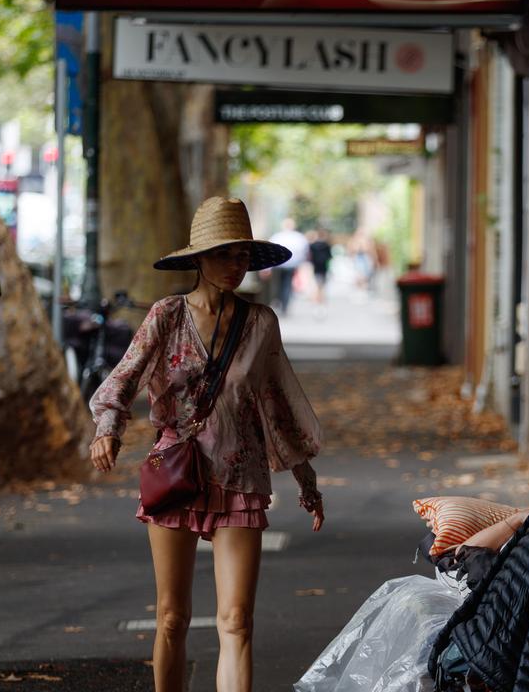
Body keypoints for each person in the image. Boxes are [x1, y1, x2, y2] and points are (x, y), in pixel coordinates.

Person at [88, 197, 325, 692]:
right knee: (172, 617)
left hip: (241, 477)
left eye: (242, 256)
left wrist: (306, 479)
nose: (234, 265)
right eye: (223, 255)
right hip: (177, 473)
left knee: (236, 620)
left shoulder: (260, 324)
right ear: (198, 259)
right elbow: (125, 377)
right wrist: (107, 428)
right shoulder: (166, 316)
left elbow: (279, 404)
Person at [267, 217, 309, 315]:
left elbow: (271, 251)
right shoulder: (299, 238)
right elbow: (304, 252)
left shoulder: (277, 236)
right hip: (290, 265)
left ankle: (280, 303)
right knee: (287, 285)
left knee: (279, 285)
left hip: (279, 265)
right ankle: (284, 305)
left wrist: (268, 268)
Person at [308, 228, 334, 305]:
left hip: (315, 266)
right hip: (324, 267)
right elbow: (330, 256)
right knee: (322, 283)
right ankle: (321, 297)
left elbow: (310, 257)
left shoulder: (312, 245)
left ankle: (317, 297)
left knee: (317, 283)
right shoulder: (327, 245)